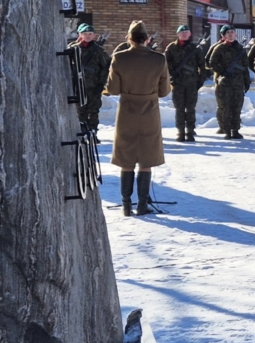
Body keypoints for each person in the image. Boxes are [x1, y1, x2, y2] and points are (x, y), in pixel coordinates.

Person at [104, 20, 171, 216]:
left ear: (129, 39)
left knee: (126, 159)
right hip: (149, 111)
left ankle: (126, 205)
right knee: (146, 160)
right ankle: (142, 204)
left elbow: (112, 89)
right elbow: (164, 91)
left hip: (127, 112)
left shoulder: (118, 58)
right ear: (147, 39)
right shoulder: (159, 60)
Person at [164, 24, 207, 142]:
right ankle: (181, 131)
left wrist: (200, 81)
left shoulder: (195, 49)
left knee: (191, 108)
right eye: (182, 32)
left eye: (186, 32)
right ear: (178, 34)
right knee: (179, 108)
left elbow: (202, 67)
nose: (184, 34)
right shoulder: (171, 48)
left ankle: (190, 131)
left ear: (190, 34)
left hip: (192, 83)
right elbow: (166, 64)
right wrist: (173, 75)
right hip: (178, 83)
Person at [205, 27, 250, 140]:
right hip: (224, 83)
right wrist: (222, 72)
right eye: (228, 33)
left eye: (232, 32)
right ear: (224, 36)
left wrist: (247, 80)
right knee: (225, 106)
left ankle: (235, 130)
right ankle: (227, 130)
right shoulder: (219, 48)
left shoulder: (240, 49)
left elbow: (245, 66)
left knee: (237, 106)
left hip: (238, 82)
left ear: (235, 35)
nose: (230, 34)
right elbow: (211, 63)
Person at [68, 23, 112, 132]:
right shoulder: (73, 49)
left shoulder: (99, 51)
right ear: (80, 34)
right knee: (79, 111)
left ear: (94, 35)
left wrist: (101, 83)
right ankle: (82, 132)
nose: (88, 36)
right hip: (77, 86)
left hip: (93, 86)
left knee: (93, 111)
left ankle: (93, 133)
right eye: (85, 33)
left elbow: (105, 67)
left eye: (90, 34)